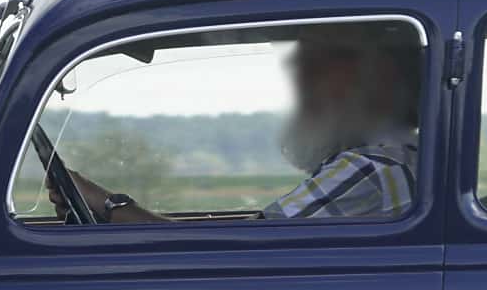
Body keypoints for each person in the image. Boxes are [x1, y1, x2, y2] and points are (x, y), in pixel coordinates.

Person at [59, 32, 418, 223]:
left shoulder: (369, 169)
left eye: (319, 73)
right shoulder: (403, 159)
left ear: (377, 86)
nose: (305, 91)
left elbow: (243, 249)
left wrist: (106, 203)